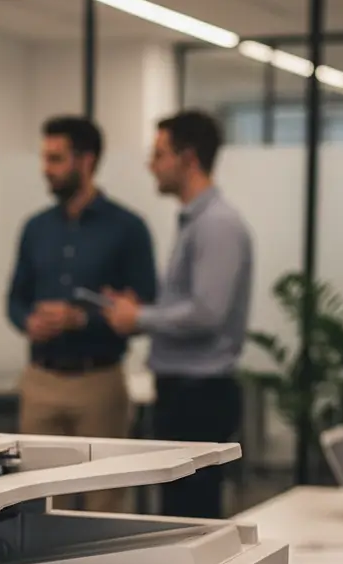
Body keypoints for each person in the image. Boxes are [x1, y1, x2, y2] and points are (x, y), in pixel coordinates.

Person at [103, 111, 251, 520]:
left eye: (159, 154)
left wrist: (140, 319)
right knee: (181, 511)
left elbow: (207, 312)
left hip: (199, 395)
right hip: (184, 391)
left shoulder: (217, 224)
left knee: (192, 517)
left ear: (187, 158)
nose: (151, 164)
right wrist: (141, 310)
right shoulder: (194, 221)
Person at [7, 117, 157, 512]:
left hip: (99, 383)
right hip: (41, 381)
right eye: (45, 158)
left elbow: (144, 306)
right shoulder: (35, 228)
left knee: (103, 501)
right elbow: (15, 299)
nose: (46, 168)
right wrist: (29, 321)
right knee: (39, 500)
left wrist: (82, 319)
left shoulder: (128, 229)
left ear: (86, 161)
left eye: (55, 159)